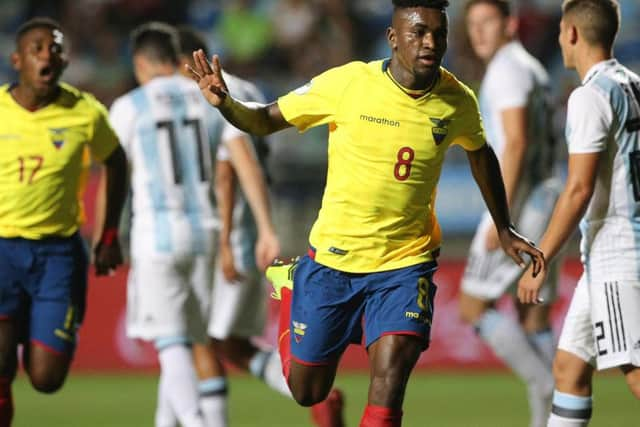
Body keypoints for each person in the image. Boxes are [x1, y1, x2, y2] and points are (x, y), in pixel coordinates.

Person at [188, 1, 545, 425]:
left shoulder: (457, 101)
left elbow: (481, 154)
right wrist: (225, 104)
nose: (430, 42)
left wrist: (504, 227)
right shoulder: (347, 84)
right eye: (418, 33)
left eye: (439, 34)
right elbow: (264, 121)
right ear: (393, 38)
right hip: (335, 262)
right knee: (307, 390)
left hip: (405, 265)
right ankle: (291, 288)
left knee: (389, 386)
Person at [108, 23, 279, 427]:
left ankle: (201, 422)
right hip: (207, 232)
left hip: (166, 236)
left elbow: (115, 172)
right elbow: (248, 161)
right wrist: (267, 227)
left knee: (180, 342)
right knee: (197, 339)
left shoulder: (135, 104)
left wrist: (107, 232)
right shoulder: (222, 96)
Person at [176, 27, 342, 427]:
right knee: (227, 344)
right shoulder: (245, 85)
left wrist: (242, 238)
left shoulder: (215, 94)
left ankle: (316, 394)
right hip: (244, 229)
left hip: (229, 234)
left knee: (195, 341)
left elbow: (230, 169)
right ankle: (317, 397)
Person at [0, 17, 127, 426]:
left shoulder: (84, 112)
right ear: (17, 59)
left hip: (58, 254)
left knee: (46, 377)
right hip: (2, 250)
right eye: (37, 48)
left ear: (65, 60)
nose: (47, 55)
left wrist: (109, 233)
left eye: (55, 48)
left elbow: (116, 160)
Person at [517, 0, 640, 425]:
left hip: (618, 253)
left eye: (559, 33)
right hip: (612, 253)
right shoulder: (633, 84)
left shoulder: (589, 96)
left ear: (571, 34)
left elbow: (578, 189)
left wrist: (540, 259)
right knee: (569, 368)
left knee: (636, 373)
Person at [458, 2, 562, 426]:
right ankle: (557, 412)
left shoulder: (505, 71)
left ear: (510, 24)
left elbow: (515, 143)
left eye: (487, 23)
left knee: (471, 306)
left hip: (520, 208)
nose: (479, 33)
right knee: (531, 311)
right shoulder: (532, 68)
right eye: (473, 25)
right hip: (546, 199)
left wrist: (500, 222)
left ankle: (546, 382)